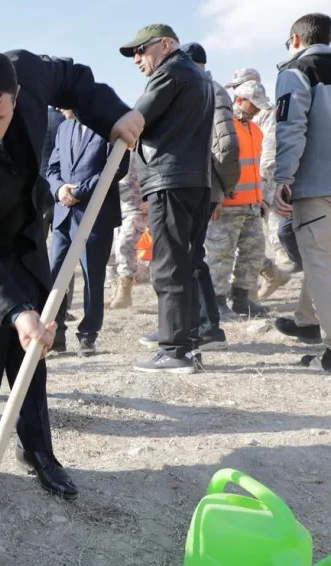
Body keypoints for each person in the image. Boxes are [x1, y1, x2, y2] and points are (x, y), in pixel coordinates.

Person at [0, 48, 143, 500]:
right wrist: (13, 310)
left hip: (18, 227)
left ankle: (38, 450)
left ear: (15, 98)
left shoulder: (28, 73)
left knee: (33, 346)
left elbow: (75, 78)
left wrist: (114, 114)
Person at [120, 25, 214, 374]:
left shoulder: (171, 72)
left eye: (141, 50)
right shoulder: (198, 76)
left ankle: (174, 350)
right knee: (186, 264)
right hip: (195, 182)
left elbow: (136, 118)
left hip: (171, 181)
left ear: (166, 44)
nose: (137, 59)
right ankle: (185, 343)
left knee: (169, 264)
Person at [272, 13, 331, 375]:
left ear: (296, 39)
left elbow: (290, 127)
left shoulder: (295, 73)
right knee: (321, 257)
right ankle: (307, 320)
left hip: (319, 186)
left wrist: (283, 177)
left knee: (321, 262)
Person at [45, 108, 130, 356]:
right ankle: (55, 335)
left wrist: (79, 192)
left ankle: (88, 336)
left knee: (93, 278)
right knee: (55, 275)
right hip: (63, 214)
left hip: (95, 215)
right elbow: (53, 168)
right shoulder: (63, 128)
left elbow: (116, 167)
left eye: (64, 103)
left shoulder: (109, 126)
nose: (59, 109)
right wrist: (60, 190)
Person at [205, 80, 290, 315]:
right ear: (239, 100)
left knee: (252, 255)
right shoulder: (222, 127)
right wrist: (217, 198)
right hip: (227, 207)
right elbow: (212, 165)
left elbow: (258, 168)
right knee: (221, 256)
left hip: (252, 205)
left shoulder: (255, 130)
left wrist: (262, 198)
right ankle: (217, 303)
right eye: (254, 104)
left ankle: (241, 299)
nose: (257, 110)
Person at [225, 67, 305, 284]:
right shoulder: (231, 116)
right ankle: (272, 274)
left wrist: (260, 184)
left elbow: (269, 151)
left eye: (237, 88)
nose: (234, 93)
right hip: (244, 184)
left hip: (261, 179)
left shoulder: (267, 113)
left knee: (258, 231)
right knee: (246, 239)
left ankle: (279, 263)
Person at [108, 158, 148, 308]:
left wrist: (151, 200)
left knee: (126, 243)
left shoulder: (144, 145)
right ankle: (114, 289)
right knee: (109, 250)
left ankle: (124, 290)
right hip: (114, 206)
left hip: (137, 206)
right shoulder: (109, 144)